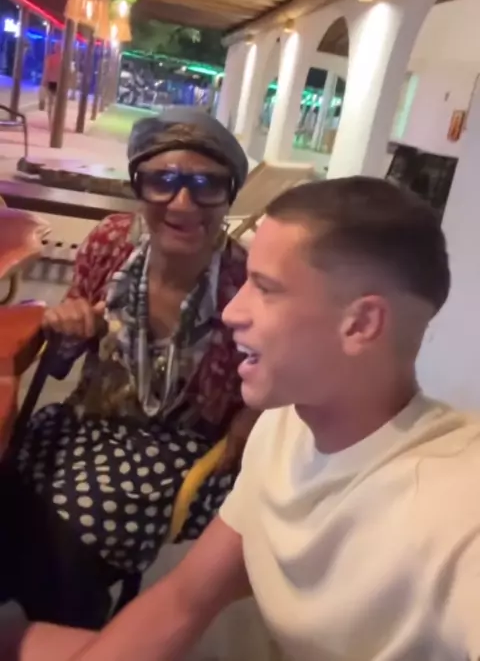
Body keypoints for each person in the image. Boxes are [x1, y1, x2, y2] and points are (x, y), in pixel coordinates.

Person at [15, 173, 480, 661]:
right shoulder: (285, 427)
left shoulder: (453, 508)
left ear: (361, 324)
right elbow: (184, 601)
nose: (232, 311)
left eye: (265, 288)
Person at [3, 107, 256, 629]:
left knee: (70, 534)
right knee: (9, 499)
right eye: (162, 180)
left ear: (229, 194)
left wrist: (256, 415)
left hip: (183, 447)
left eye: (206, 184)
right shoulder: (111, 243)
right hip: (87, 419)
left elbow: (284, 374)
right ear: (138, 185)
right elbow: (62, 362)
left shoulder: (247, 279)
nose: (182, 202)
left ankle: (72, 631)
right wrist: (69, 328)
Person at [41, 40, 62, 123]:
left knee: (51, 102)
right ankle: (54, 119)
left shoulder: (50, 58)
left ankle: (51, 119)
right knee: (57, 102)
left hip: (52, 81)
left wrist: (44, 81)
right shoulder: (64, 60)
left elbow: (46, 70)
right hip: (60, 83)